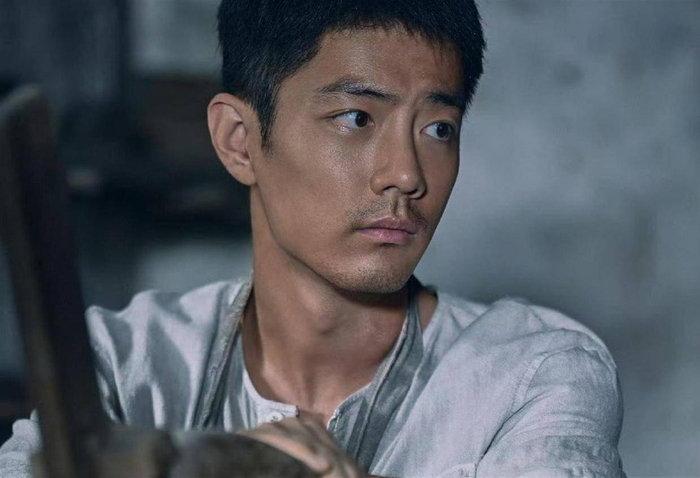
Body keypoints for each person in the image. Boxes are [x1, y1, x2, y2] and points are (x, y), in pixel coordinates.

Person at [0, 0, 626, 476]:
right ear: (239, 141)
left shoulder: (533, 374)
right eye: (356, 118)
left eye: (439, 128)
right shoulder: (121, 363)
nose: (407, 175)